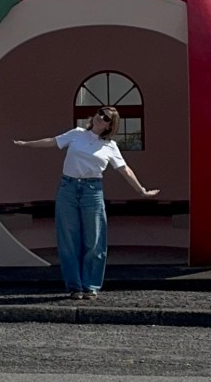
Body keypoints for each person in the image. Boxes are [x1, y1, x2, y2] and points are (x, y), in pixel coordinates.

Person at [13, 106, 159, 300]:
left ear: (110, 125)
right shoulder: (77, 134)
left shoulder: (109, 147)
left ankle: (90, 286)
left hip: (92, 191)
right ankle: (75, 286)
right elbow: (53, 141)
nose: (100, 117)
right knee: (68, 238)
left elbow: (125, 170)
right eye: (100, 113)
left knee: (95, 239)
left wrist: (141, 190)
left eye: (106, 117)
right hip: (68, 188)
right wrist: (26, 144)